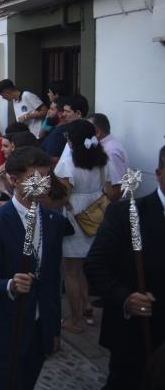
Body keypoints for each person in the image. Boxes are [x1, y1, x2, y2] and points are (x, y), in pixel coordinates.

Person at [0, 146, 72, 390]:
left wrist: (53, 329)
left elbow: (53, 280)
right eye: (33, 179)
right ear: (13, 180)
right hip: (7, 330)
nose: (41, 185)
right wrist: (10, 284)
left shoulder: (54, 222)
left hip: (40, 328)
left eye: (45, 178)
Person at [85, 145, 165, 390]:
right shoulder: (127, 214)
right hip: (138, 335)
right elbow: (95, 265)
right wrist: (125, 298)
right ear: (159, 173)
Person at [55, 119, 121, 334]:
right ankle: (87, 306)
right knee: (86, 267)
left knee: (72, 272)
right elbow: (112, 192)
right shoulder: (104, 161)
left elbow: (62, 197)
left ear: (71, 142)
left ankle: (76, 320)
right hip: (98, 216)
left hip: (76, 218)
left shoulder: (68, 164)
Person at [87, 113, 129, 180]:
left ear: (97, 132)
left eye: (87, 129)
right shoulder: (109, 145)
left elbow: (117, 185)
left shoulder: (110, 151)